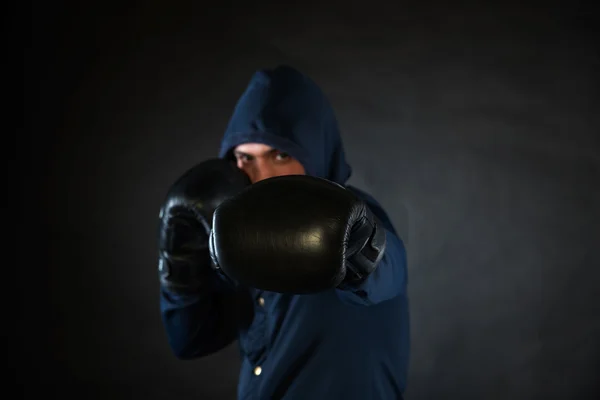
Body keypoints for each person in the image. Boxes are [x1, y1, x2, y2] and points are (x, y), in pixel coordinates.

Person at [158, 65, 410, 399]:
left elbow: (388, 267)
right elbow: (189, 339)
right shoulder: (241, 241)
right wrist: (182, 262)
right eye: (244, 157)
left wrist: (358, 252)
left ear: (316, 155)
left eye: (280, 155)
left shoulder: (354, 214)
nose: (261, 177)